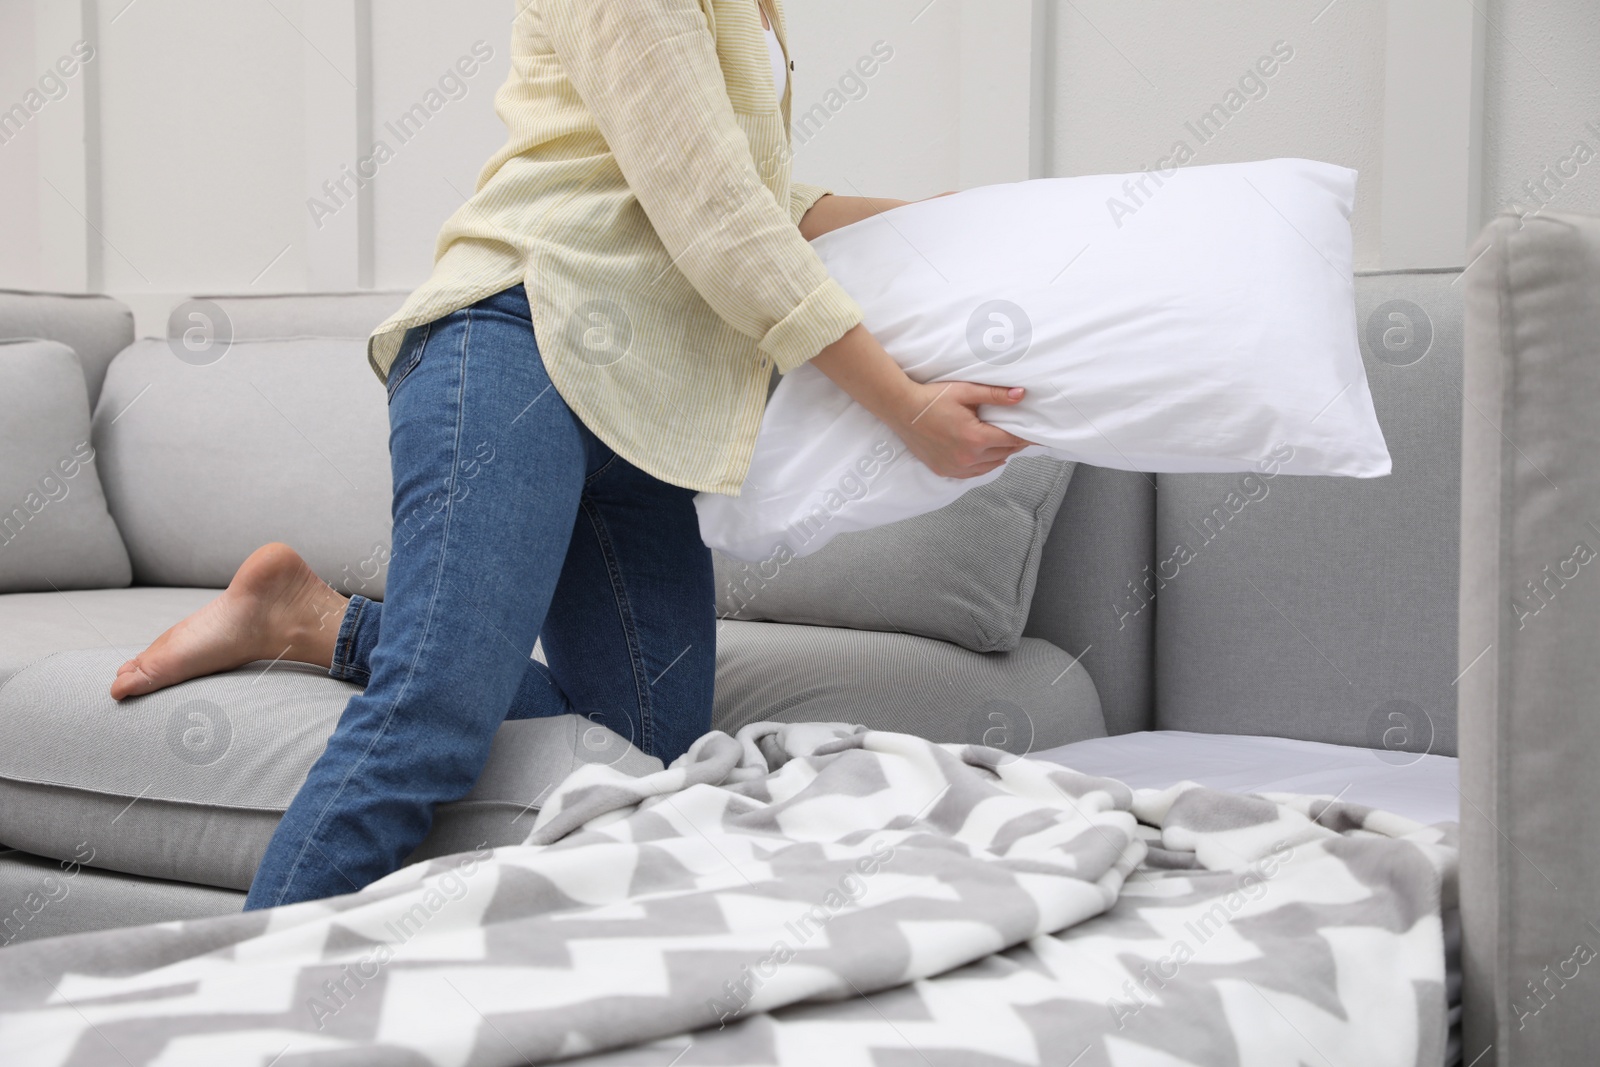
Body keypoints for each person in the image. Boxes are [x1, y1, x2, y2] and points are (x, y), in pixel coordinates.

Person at [109, 0, 1032, 910]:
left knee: (649, 758)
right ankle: (253, 1003)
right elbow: (712, 210)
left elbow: (748, 190)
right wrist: (902, 406)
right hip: (519, 343)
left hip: (644, 411)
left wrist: (926, 221)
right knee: (430, 723)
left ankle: (314, 619)